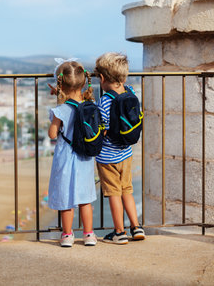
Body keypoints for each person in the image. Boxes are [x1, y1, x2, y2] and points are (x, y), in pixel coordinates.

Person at [94, 52, 145, 244]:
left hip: (108, 157)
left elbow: (104, 129)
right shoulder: (130, 92)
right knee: (127, 190)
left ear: (101, 78)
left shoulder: (104, 102)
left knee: (113, 193)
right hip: (127, 153)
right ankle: (136, 227)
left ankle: (119, 232)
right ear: (124, 77)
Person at [47, 59, 97, 247]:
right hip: (84, 158)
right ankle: (89, 234)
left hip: (66, 158)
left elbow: (52, 134)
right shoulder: (89, 104)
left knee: (66, 198)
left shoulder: (60, 110)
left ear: (60, 84)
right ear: (84, 83)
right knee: (85, 199)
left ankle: (67, 235)